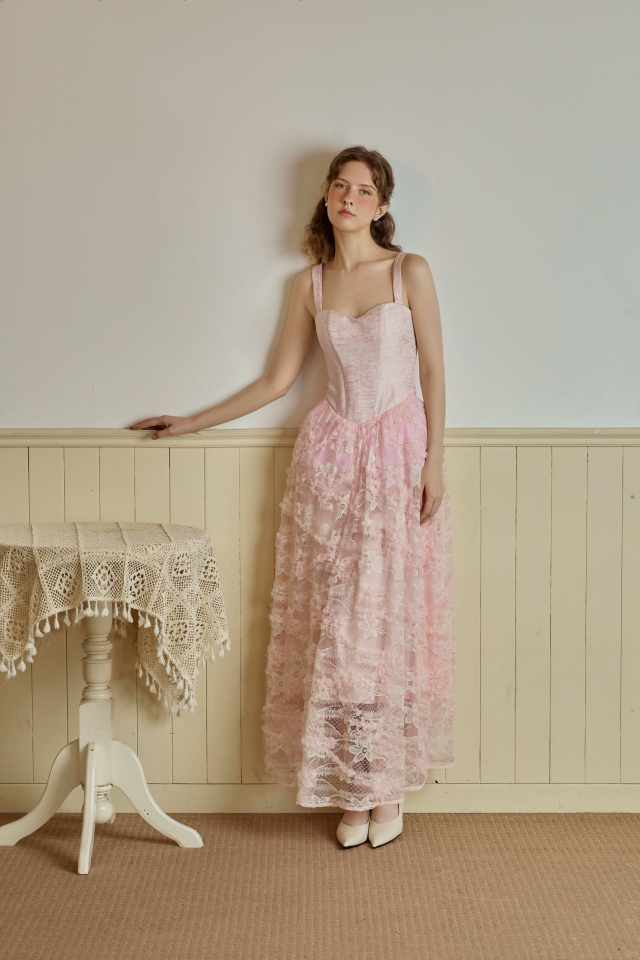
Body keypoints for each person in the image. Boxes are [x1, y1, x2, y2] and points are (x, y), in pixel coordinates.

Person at [128, 145, 455, 849]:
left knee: (386, 618)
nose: (348, 198)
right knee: (338, 623)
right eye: (339, 186)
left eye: (362, 190)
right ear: (326, 198)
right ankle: (352, 788)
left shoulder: (410, 271)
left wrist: (435, 461)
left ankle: (387, 790)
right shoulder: (309, 284)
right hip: (331, 460)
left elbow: (433, 369)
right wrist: (191, 422)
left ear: (382, 205)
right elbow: (276, 381)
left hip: (397, 455)